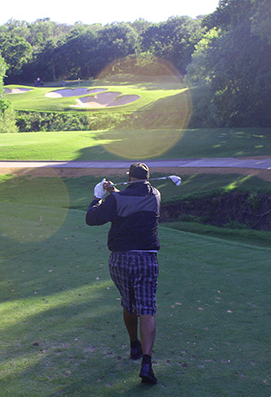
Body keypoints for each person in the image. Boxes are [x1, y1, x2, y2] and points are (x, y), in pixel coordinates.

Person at [85, 163, 160, 385]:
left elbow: (92, 218)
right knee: (147, 308)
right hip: (147, 258)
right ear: (148, 178)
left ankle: (134, 345)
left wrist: (98, 197)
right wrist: (114, 192)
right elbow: (132, 199)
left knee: (130, 304)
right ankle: (146, 363)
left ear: (129, 176)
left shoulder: (117, 201)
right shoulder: (155, 194)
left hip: (120, 259)